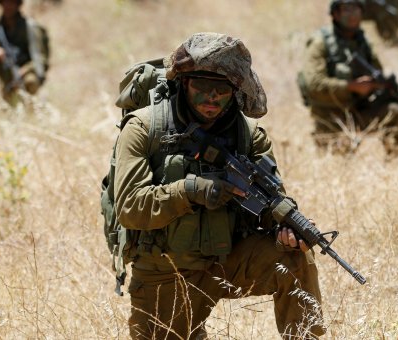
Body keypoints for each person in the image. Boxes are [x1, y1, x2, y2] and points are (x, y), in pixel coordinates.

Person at [113, 32, 325, 340]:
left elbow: (268, 200)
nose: (212, 98)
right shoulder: (144, 128)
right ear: (183, 83)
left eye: (222, 90)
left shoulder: (250, 135)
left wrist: (285, 228)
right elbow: (131, 208)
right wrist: (193, 190)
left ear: (236, 90)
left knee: (296, 257)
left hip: (229, 261)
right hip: (167, 271)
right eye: (202, 87)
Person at [300, 0, 398, 158]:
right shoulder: (320, 43)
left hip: (358, 109)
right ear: (335, 14)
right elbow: (314, 84)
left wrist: (378, 85)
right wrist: (351, 86)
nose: (353, 14)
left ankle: (393, 160)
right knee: (341, 162)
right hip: (330, 115)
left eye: (357, 9)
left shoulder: (364, 43)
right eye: (347, 9)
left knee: (396, 111)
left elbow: (378, 75)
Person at [0, 0, 49, 104]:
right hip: (7, 78)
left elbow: (41, 60)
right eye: (5, 2)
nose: (8, 6)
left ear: (18, 4)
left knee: (30, 82)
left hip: (26, 74)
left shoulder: (30, 28)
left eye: (11, 2)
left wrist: (23, 71)